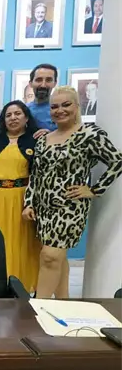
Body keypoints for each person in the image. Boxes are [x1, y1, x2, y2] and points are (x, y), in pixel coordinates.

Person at [23, 86, 122, 299]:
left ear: (77, 106)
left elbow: (117, 161)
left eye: (66, 105)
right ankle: (63, 303)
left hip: (69, 207)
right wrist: (29, 202)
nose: (60, 110)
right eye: (54, 107)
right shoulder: (43, 139)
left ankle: (38, 307)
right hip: (43, 208)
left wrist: (94, 189)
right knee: (57, 258)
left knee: (50, 256)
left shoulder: (90, 135)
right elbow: (36, 174)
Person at [0, 100, 40, 292]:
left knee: (22, 244)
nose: (13, 118)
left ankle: (22, 286)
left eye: (17, 114)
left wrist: (31, 203)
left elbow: (38, 177)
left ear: (26, 117)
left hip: (22, 200)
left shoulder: (35, 141)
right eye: (8, 115)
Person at [27, 63, 58, 132]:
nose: (43, 85)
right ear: (31, 83)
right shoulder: (23, 111)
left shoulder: (61, 111)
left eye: (48, 80)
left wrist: (52, 135)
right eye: (38, 80)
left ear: (55, 83)